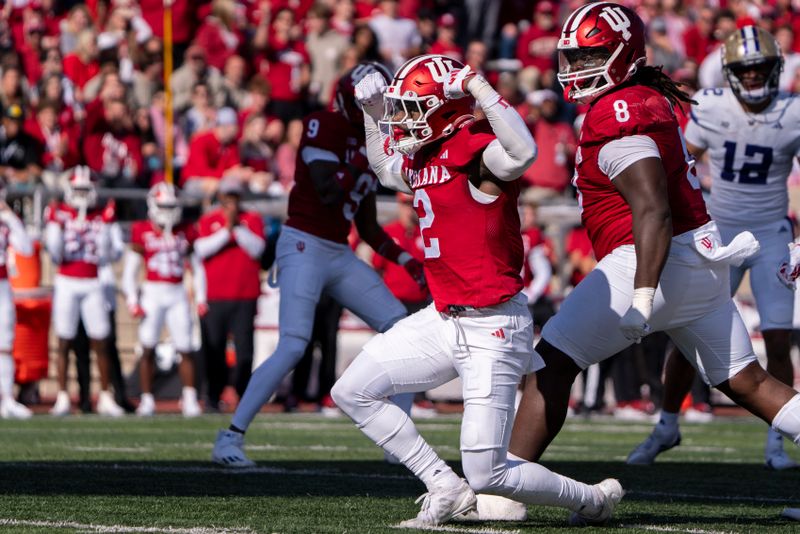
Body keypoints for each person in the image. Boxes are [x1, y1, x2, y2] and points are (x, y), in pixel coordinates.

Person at [495, 4, 800, 515]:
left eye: (590, 54)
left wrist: (641, 293)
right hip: (699, 261)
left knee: (552, 364)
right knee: (748, 382)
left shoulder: (618, 109)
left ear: (623, 54)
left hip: (650, 260)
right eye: (573, 56)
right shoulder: (641, 97)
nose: (575, 67)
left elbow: (653, 210)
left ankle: (499, 496)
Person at [332, 54, 622, 528]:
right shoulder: (426, 154)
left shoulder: (475, 149)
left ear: (444, 108)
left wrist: (481, 87)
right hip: (444, 317)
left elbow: (523, 153)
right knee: (353, 390)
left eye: (410, 109)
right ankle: (443, 486)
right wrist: (371, 113)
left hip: (494, 325)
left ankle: (591, 500)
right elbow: (386, 170)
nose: (400, 120)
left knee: (486, 472)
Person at [211, 62, 424, 468]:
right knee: (294, 343)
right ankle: (230, 437)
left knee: (403, 328)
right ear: (353, 97)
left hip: (337, 250)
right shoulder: (322, 125)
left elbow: (369, 227)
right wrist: (369, 155)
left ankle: (398, 443)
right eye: (373, 100)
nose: (380, 108)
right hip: (303, 243)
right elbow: (328, 189)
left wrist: (408, 260)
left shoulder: (370, 140)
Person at [628, 26, 800, 469]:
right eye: (748, 68)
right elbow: (676, 164)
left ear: (777, 68)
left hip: (771, 233)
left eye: (763, 67)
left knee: (779, 338)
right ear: (730, 71)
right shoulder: (712, 105)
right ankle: (667, 423)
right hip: (719, 232)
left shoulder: (794, 111)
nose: (756, 76)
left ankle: (777, 440)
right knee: (688, 334)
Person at [45, 166, 125, 417]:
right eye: (77, 189)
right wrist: (60, 226)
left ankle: (105, 395)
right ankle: (62, 396)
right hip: (67, 280)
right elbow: (54, 252)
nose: (81, 195)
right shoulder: (59, 212)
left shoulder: (102, 215)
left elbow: (115, 253)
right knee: (64, 338)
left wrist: (102, 238)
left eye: (85, 190)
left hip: (93, 281)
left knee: (100, 339)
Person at [122, 182, 206, 417]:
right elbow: (130, 271)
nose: (168, 211)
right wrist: (132, 299)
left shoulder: (186, 230)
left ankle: (189, 397)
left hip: (177, 291)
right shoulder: (142, 230)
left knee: (185, 347)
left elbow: (197, 268)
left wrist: (202, 297)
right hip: (153, 292)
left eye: (171, 206)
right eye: (163, 206)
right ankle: (147, 399)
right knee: (147, 346)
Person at [195, 176, 265, 413]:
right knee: (213, 349)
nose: (231, 202)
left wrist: (236, 227)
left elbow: (258, 249)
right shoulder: (209, 220)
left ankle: (243, 395)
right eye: (227, 197)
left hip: (245, 295)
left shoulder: (252, 220)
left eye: (235, 197)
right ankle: (213, 396)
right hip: (216, 296)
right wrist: (226, 229)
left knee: (245, 352)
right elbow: (202, 249)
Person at [0, 179, 32, 419]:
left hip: (2, 285)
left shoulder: (6, 221)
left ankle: (7, 398)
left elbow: (26, 248)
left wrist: (10, 218)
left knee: (5, 345)